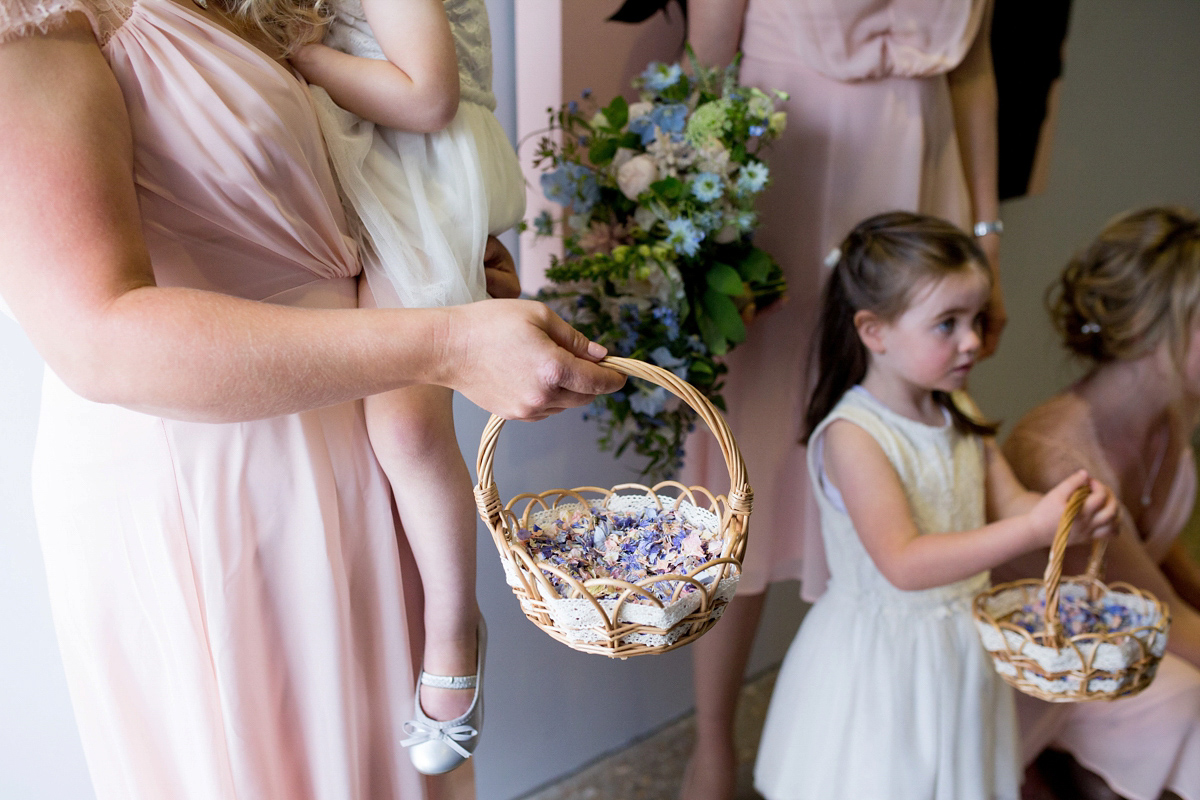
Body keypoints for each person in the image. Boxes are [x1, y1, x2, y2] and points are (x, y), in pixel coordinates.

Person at [0, 2, 623, 799]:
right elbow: (98, 338)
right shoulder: (37, 22)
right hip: (217, 484)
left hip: (356, 451)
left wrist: (443, 255)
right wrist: (447, 340)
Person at [679, 3, 1004, 795]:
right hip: (788, 160)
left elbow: (974, 70)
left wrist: (987, 233)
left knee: (903, 420)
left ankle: (894, 727)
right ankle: (711, 744)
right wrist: (693, 221)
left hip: (923, 169)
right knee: (750, 458)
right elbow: (708, 54)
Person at [753, 212, 1116, 800]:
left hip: (958, 646)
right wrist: (1030, 527)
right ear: (874, 331)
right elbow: (904, 561)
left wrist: (1070, 516)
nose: (973, 340)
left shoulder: (957, 410)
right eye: (947, 324)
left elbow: (1015, 506)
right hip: (884, 659)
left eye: (975, 320)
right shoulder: (854, 435)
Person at [287, 0, 525, 775]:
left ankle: (454, 628)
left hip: (414, 175)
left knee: (406, 426)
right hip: (380, 161)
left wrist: (308, 58)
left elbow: (428, 96)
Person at [995, 207, 1200, 800]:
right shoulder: (1058, 455)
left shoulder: (1169, 420)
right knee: (1187, 698)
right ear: (1148, 331)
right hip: (1049, 668)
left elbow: (1160, 559)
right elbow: (1156, 618)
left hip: (1123, 637)